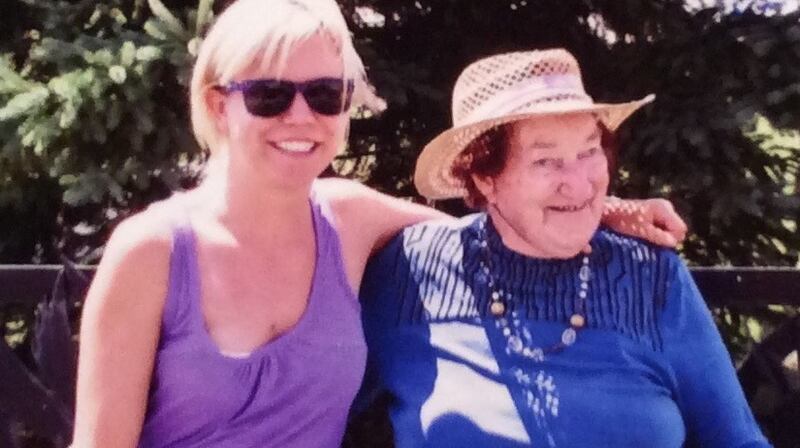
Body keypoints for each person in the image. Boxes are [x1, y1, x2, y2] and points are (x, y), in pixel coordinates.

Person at [70, 0, 686, 446]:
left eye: (325, 94)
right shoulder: (151, 252)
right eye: (268, 96)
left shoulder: (349, 218)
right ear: (216, 104)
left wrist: (603, 209)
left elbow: (500, 215)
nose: (301, 116)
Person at [359, 49, 770, 447]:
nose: (578, 183)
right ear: (485, 177)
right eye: (545, 161)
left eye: (589, 151)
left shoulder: (651, 277)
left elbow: (736, 439)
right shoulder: (408, 274)